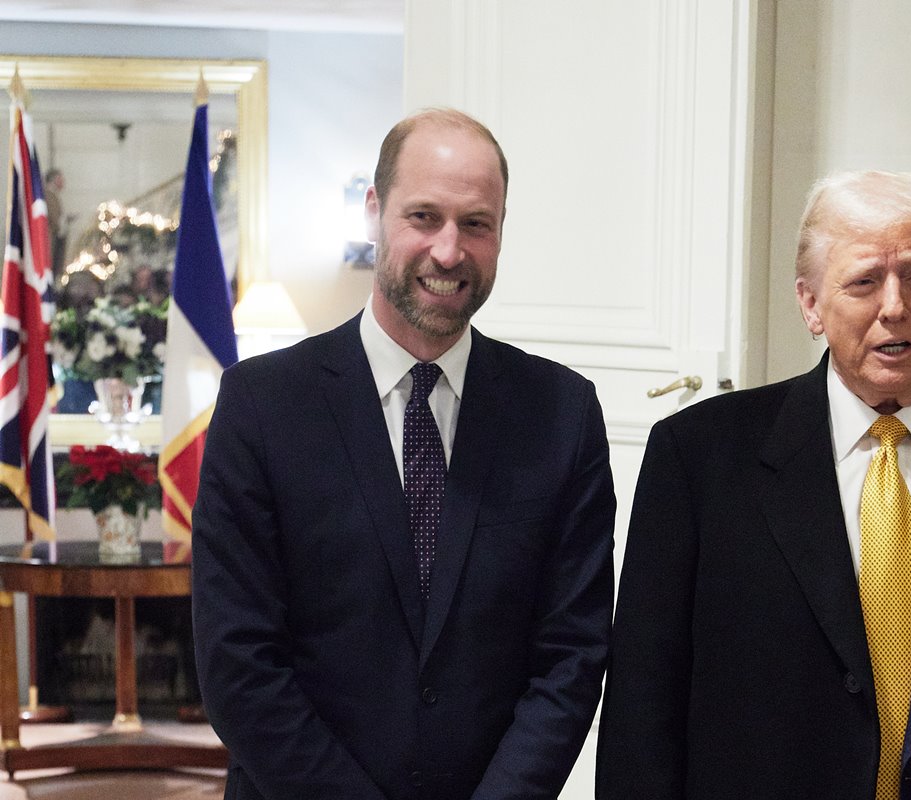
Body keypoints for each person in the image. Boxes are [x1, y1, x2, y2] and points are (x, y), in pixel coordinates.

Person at [595, 170, 911, 799]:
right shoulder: (699, 457)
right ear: (811, 304)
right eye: (864, 280)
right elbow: (641, 712)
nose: (895, 305)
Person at [192, 108, 616, 800]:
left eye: (476, 224)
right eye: (423, 217)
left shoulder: (562, 416)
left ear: (501, 232)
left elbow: (570, 656)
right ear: (373, 213)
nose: (448, 251)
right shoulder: (261, 408)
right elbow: (238, 663)